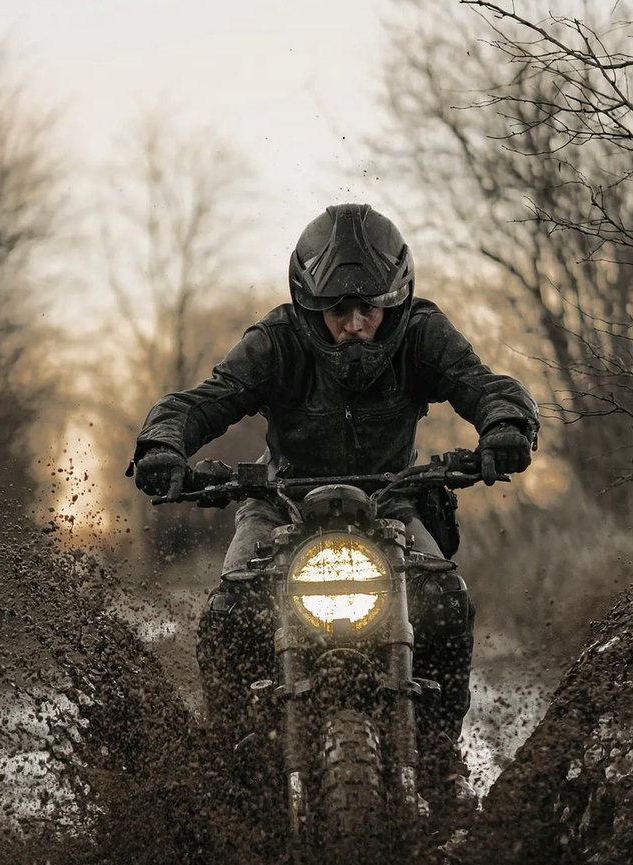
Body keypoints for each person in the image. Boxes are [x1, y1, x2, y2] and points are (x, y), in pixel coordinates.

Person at [129, 203, 538, 813]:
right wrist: (164, 445)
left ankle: (437, 756)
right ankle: (230, 765)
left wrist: (504, 425)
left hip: (389, 503)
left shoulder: (423, 334)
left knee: (448, 601)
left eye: (367, 308)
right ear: (310, 308)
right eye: (337, 310)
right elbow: (204, 400)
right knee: (228, 610)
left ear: (393, 303)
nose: (353, 324)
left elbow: (483, 384)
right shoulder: (275, 343)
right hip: (281, 505)